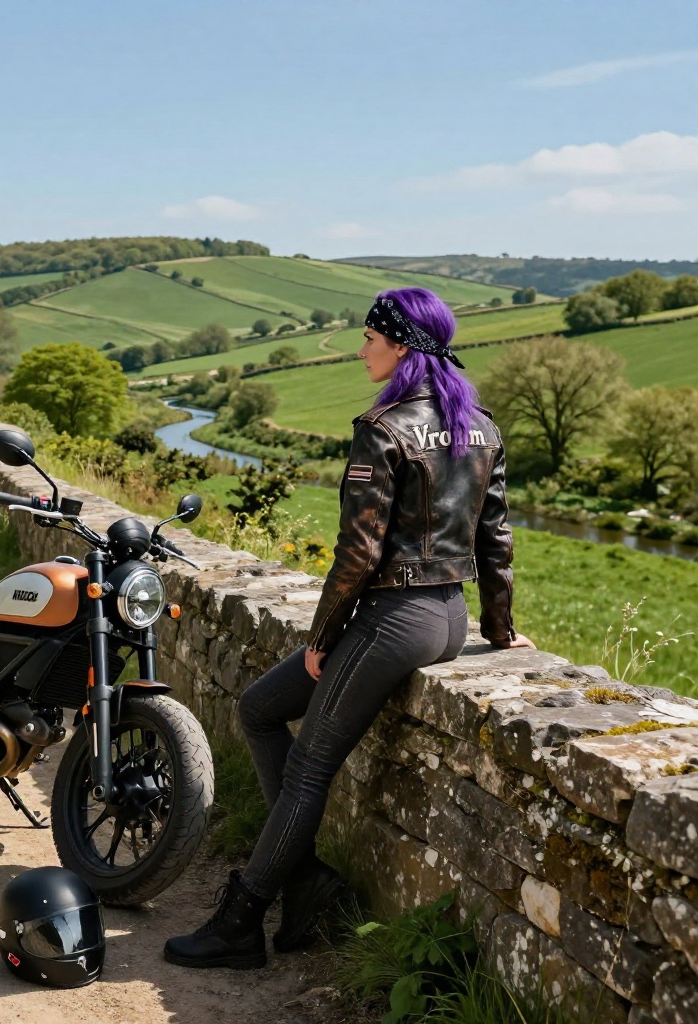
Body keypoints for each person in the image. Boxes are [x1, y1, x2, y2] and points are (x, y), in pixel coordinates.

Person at [164, 287, 535, 971]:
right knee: (258, 708)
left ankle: (240, 921)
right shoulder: (479, 425)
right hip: (448, 617)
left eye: (369, 336)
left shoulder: (385, 428)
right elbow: (497, 539)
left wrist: (321, 640)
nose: (361, 347)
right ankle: (304, 886)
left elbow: (359, 555)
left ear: (400, 345)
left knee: (309, 768)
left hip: (396, 618)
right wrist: (501, 629)